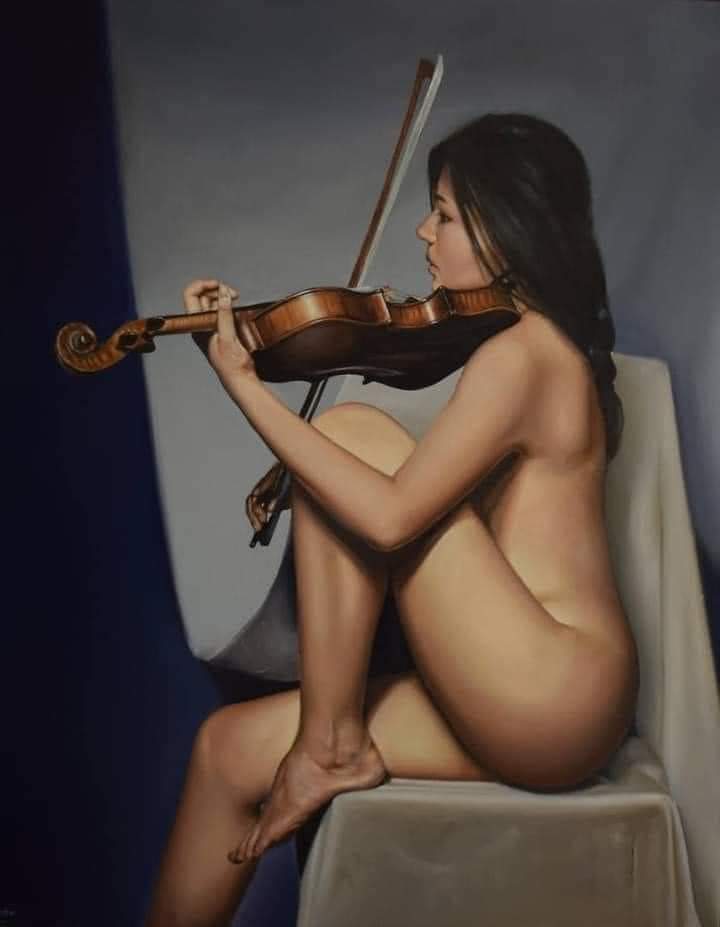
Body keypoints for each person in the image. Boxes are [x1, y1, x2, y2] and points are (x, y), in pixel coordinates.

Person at [143, 112, 639, 926]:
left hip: (552, 689)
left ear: (503, 230)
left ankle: (332, 744)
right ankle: (329, 740)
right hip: (541, 696)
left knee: (348, 432)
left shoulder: (523, 356)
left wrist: (246, 388)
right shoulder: (528, 347)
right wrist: (239, 361)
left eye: (443, 213)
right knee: (226, 749)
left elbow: (389, 518)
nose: (422, 232)